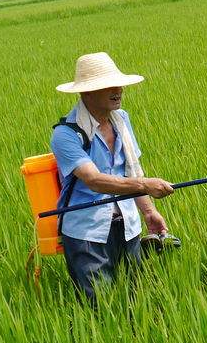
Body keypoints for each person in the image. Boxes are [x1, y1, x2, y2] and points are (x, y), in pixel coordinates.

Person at [51, 52, 174, 305]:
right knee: (99, 304)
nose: (118, 90)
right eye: (108, 86)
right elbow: (94, 180)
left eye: (118, 84)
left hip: (126, 225)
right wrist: (146, 186)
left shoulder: (122, 119)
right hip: (87, 232)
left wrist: (149, 212)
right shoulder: (66, 135)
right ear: (86, 92)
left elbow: (132, 168)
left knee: (138, 298)